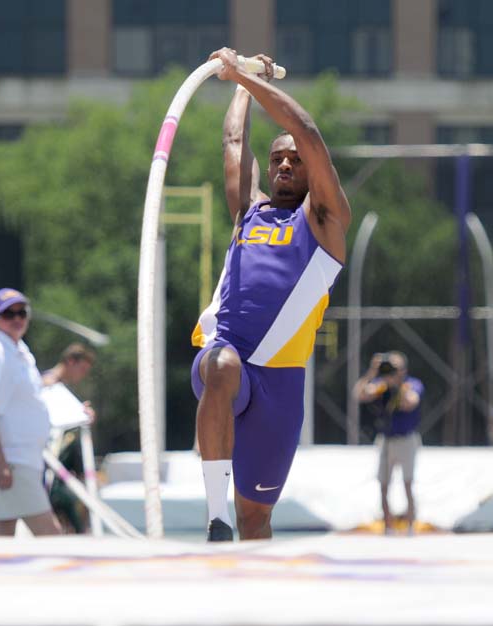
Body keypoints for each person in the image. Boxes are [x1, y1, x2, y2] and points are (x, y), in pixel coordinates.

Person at [190, 48, 351, 541]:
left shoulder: (325, 222)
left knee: (257, 519)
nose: (283, 164)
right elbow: (235, 140)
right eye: (276, 158)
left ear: (311, 171)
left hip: (280, 384)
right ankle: (216, 516)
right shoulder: (248, 213)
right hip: (228, 359)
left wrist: (246, 76)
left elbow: (306, 130)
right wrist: (239, 87)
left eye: (293, 160)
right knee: (221, 366)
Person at [0, 288, 61, 536]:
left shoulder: (16, 349)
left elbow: (29, 396)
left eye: (22, 312)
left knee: (3, 531)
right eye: (9, 314)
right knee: (51, 537)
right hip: (10, 462)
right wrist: (2, 464)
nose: (17, 318)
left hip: (20, 460)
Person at [353, 351, 423, 535]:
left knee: (408, 483)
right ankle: (388, 526)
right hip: (386, 439)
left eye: (395, 368)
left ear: (404, 369)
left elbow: (411, 402)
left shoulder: (411, 384)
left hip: (406, 439)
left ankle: (410, 526)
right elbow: (359, 394)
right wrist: (372, 372)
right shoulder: (381, 385)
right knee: (383, 483)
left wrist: (399, 384)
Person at [42, 343, 97, 534]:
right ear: (71, 362)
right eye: (81, 369)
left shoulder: (62, 390)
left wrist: (80, 412)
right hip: (45, 467)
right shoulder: (45, 383)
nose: (82, 375)